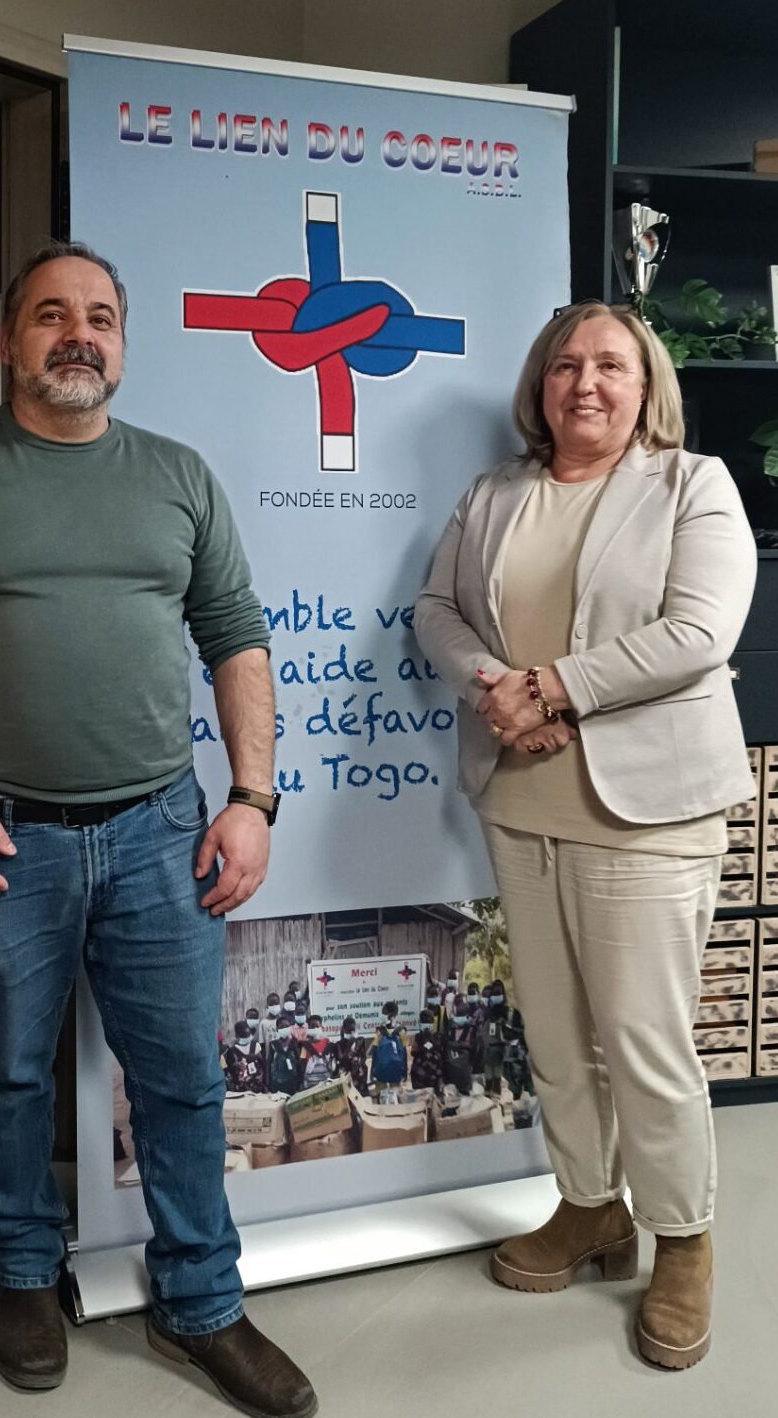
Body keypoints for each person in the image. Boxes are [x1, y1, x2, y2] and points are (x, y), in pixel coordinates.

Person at [0, 241, 316, 1418]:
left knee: (184, 1077)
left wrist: (252, 797)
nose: (78, 335)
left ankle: (200, 1297)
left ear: (122, 344)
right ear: (11, 341)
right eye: (52, 315)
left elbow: (236, 635)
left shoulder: (177, 475)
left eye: (99, 316)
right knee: (9, 1069)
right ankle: (23, 1270)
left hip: (160, 831)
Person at [414, 300, 757, 1371]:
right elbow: (435, 609)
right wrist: (494, 687)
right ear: (539, 386)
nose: (585, 383)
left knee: (643, 1041)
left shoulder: (691, 485)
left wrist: (552, 686)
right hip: (520, 799)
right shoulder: (495, 493)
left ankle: (683, 1238)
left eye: (610, 364)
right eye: (564, 365)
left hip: (645, 811)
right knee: (557, 1038)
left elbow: (698, 631)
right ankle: (590, 1205)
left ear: (646, 385)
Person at [223, 1021, 266, 1094]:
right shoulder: (232, 1051)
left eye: (248, 1034)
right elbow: (229, 1071)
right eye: (244, 1035)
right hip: (240, 1089)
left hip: (257, 1088)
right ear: (237, 1036)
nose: (247, 1037)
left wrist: (256, 1057)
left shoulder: (256, 1046)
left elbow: (263, 1064)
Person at [336, 1016, 368, 1094]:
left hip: (349, 1076)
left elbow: (340, 1061)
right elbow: (363, 1058)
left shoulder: (339, 1044)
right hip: (357, 1076)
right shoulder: (360, 1041)